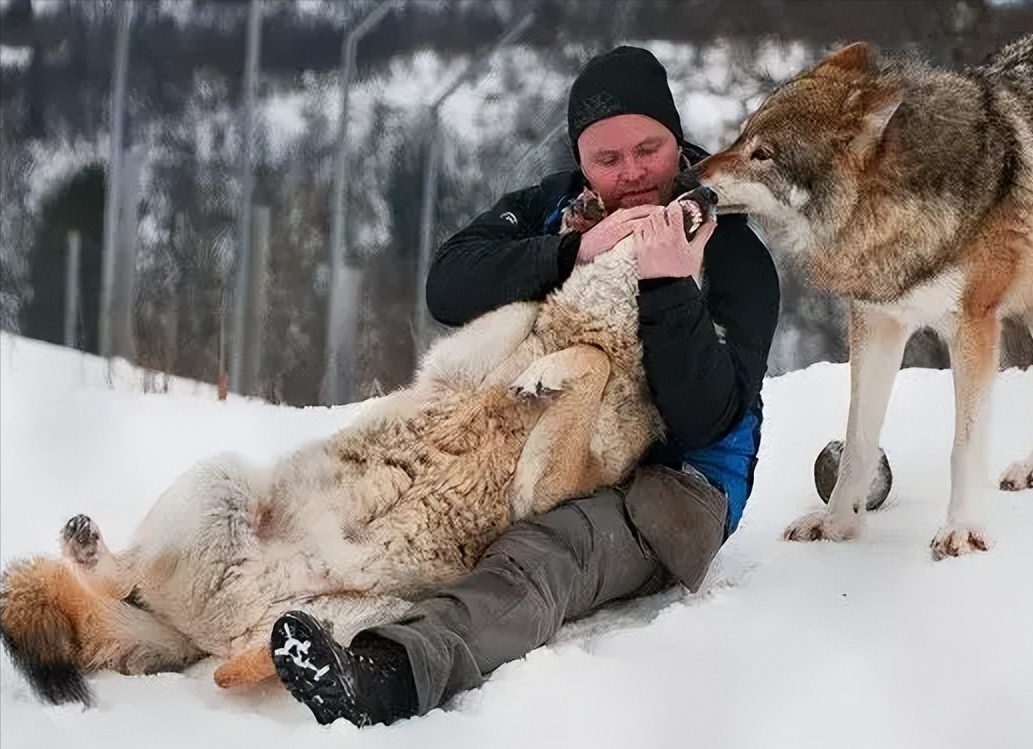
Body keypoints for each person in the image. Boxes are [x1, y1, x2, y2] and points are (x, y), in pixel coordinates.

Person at [269, 45, 781, 727]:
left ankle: (392, 671)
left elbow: (705, 418)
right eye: (605, 159)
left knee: (544, 553)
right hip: (538, 434)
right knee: (380, 493)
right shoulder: (559, 207)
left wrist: (666, 284)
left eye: (648, 150)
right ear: (581, 161)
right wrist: (573, 252)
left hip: (670, 489)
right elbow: (448, 283)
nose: (629, 174)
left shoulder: (732, 249)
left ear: (677, 141)